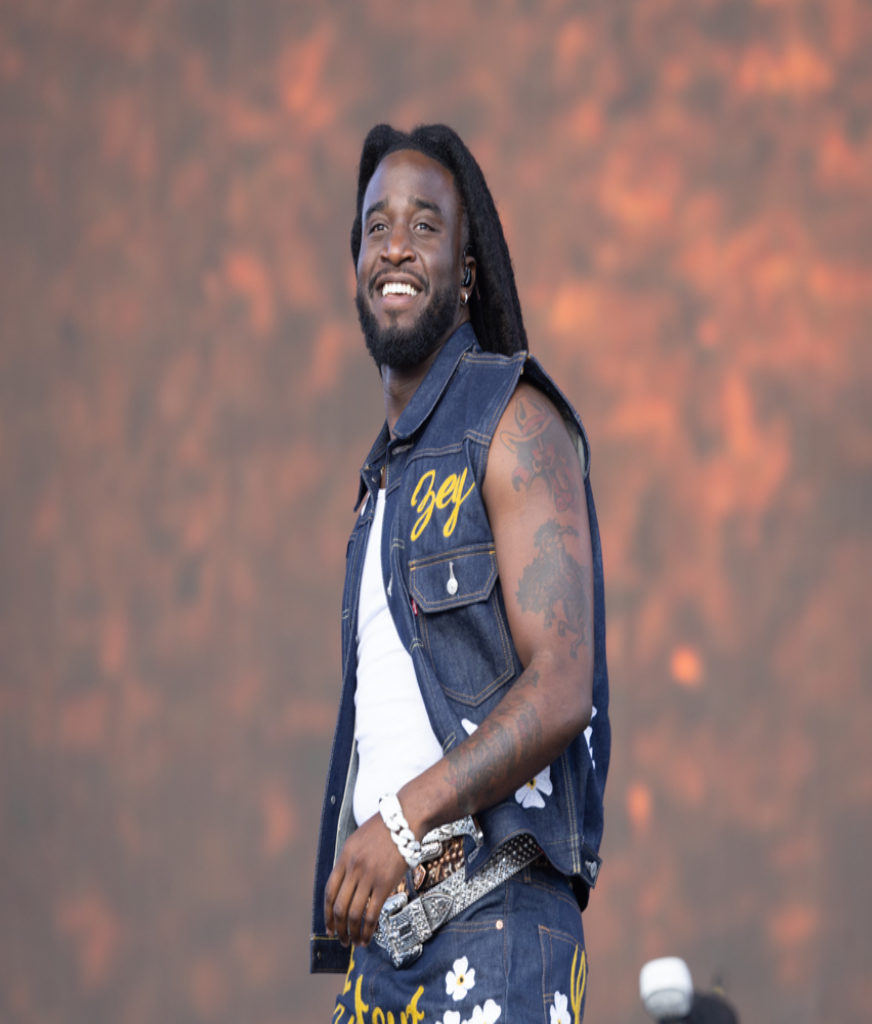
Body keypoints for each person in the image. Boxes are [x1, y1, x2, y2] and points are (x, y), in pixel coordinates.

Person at [310, 123, 610, 1024]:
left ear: (467, 273)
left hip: (497, 926)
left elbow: (562, 687)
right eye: (376, 227)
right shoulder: (381, 487)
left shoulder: (513, 420)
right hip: (387, 954)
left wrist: (403, 823)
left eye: (424, 225)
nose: (395, 245)